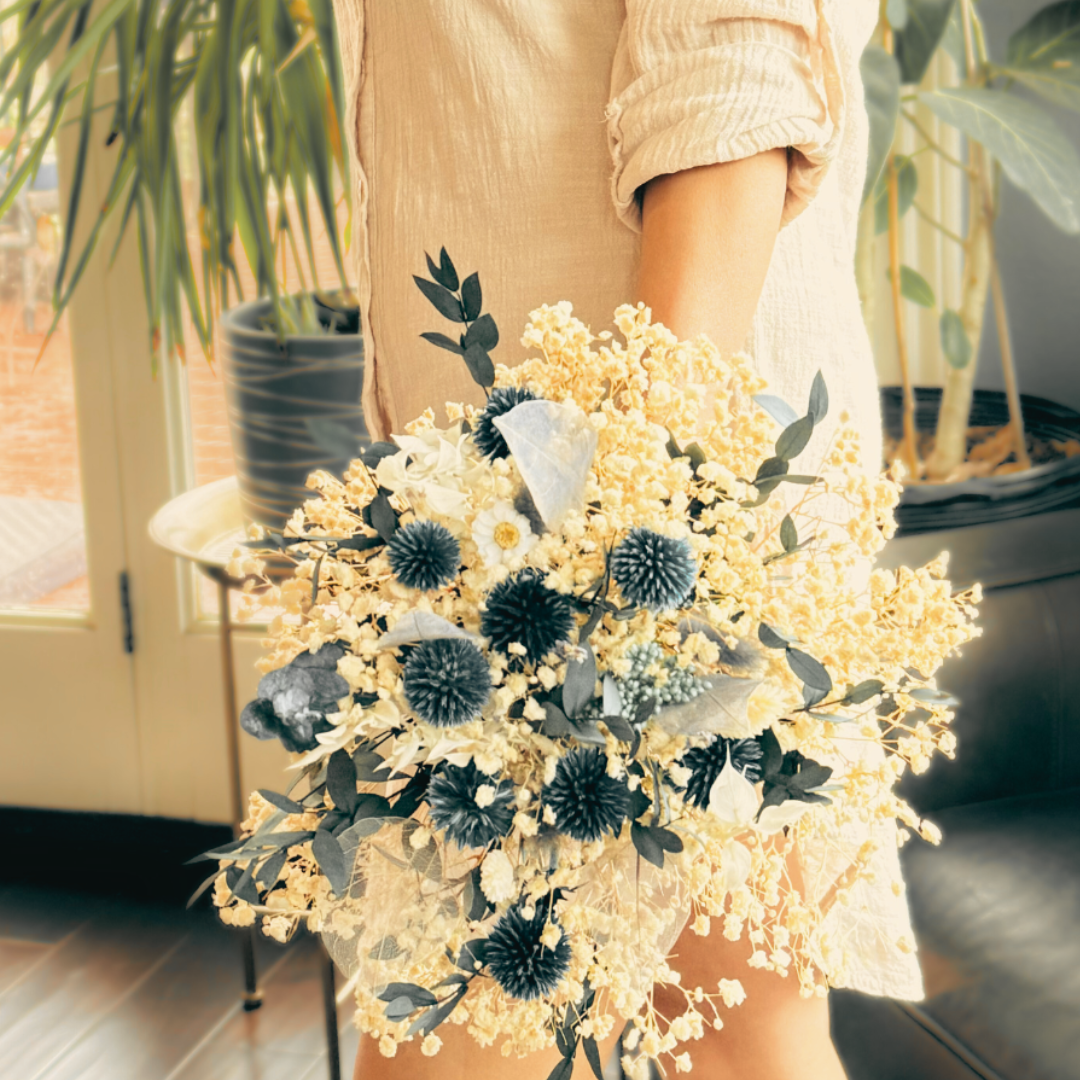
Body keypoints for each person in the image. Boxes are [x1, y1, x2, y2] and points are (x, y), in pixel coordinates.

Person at [333, 2, 915, 1077]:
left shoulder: (630, 516)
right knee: (724, 1022)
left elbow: (732, 72)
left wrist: (632, 522)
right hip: (516, 497)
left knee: (527, 1032)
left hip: (642, 482)